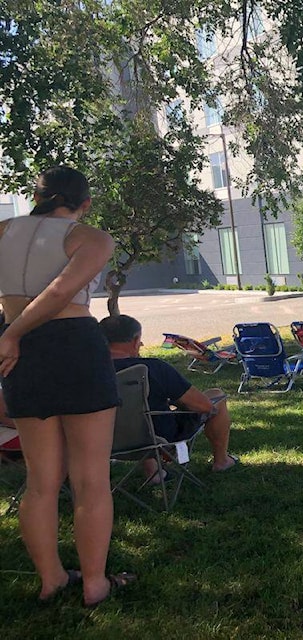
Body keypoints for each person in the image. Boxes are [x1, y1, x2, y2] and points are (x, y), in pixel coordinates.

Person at [0, 166, 133, 606]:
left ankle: (51, 579)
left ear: (36, 196)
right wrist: (12, 335)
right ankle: (95, 583)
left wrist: (10, 333)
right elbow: (60, 293)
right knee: (91, 478)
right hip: (72, 346)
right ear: (85, 202)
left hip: (20, 353)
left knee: (40, 480)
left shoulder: (3, 230)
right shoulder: (92, 237)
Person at [100, 315, 238, 477]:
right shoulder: (154, 368)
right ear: (136, 340)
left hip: (102, 441)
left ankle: (155, 473)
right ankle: (222, 461)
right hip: (159, 439)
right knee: (217, 396)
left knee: (138, 413)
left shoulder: (85, 373)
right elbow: (204, 407)